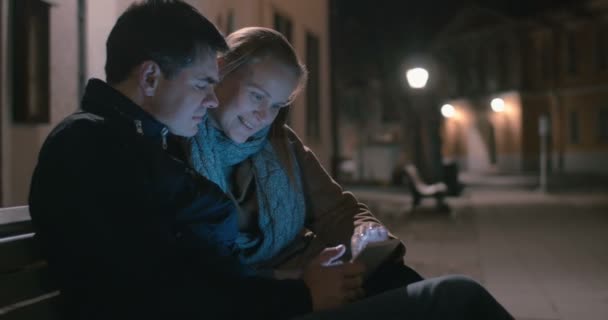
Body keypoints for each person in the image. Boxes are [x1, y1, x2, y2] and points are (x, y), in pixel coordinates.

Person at [28, 2, 365, 319]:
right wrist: (302, 295)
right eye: (204, 84)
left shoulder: (137, 143)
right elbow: (163, 293)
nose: (211, 99)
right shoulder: (90, 145)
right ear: (149, 78)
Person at [189, 26, 515, 320]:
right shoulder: (181, 148)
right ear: (220, 70)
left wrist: (365, 234)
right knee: (456, 298)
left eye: (276, 105)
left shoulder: (279, 142)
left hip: (324, 281)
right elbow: (204, 276)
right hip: (282, 300)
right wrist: (301, 283)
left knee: (419, 286)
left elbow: (337, 210)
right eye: (257, 95)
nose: (263, 115)